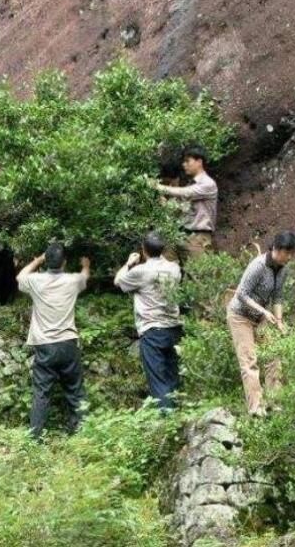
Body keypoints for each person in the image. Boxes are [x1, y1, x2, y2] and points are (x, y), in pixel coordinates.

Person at [16, 243, 91, 438]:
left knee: (41, 393)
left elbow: (20, 277)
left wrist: (37, 260)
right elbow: (84, 277)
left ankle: (35, 436)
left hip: (45, 345)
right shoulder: (73, 281)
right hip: (68, 343)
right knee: (75, 390)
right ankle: (81, 432)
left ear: (46, 262)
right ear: (64, 262)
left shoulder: (35, 281)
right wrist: (85, 265)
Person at [226, 231, 295, 417]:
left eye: (292, 253)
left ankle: (275, 404)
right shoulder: (258, 266)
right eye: (287, 252)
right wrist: (264, 311)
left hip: (260, 318)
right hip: (240, 316)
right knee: (249, 362)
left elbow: (277, 297)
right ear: (276, 248)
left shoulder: (282, 269)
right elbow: (241, 294)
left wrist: (280, 322)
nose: (290, 257)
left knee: (273, 357)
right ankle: (256, 409)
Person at [114, 231, 183, 410]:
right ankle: (177, 417)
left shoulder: (141, 271)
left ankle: (167, 422)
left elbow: (118, 282)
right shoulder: (174, 268)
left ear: (144, 250)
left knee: (159, 381)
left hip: (152, 330)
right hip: (174, 327)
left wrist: (128, 263)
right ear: (162, 249)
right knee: (172, 376)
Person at [149, 146, 218, 259]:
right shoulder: (191, 184)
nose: (184, 164)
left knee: (197, 274)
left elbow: (185, 193)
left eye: (187, 161)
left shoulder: (208, 184)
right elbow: (179, 210)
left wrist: (157, 186)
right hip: (179, 234)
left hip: (198, 238)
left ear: (199, 162)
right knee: (165, 270)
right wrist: (163, 201)